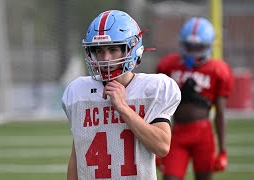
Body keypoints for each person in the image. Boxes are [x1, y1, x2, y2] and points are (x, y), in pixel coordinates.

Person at [62, 10, 181, 180]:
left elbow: (162, 146)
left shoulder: (153, 89)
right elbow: (77, 156)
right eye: (99, 51)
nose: (105, 58)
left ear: (131, 49)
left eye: (113, 49)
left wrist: (123, 107)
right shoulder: (78, 91)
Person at [156, 17, 234, 180]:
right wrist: (156, 147)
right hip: (176, 133)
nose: (192, 51)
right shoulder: (169, 65)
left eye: (198, 47)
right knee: (170, 178)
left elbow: (220, 112)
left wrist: (223, 149)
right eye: (189, 46)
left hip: (203, 134)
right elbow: (156, 106)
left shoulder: (218, 69)